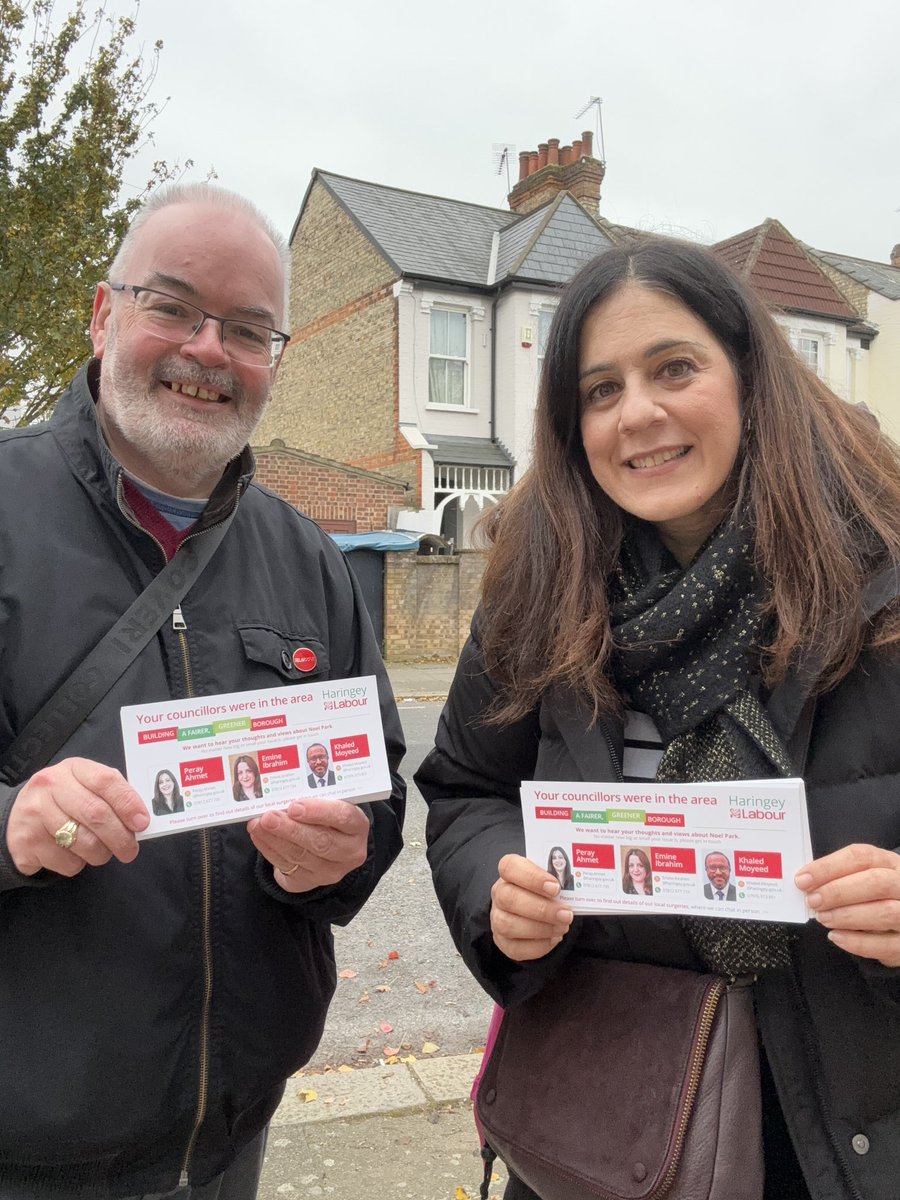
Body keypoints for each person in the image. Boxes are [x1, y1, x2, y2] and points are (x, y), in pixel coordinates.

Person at [417, 237, 900, 1200]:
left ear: (751, 375)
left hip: (849, 1137)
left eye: (674, 367)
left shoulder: (880, 572)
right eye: (599, 390)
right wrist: (496, 897)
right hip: (612, 1134)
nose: (638, 413)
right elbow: (467, 790)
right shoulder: (536, 591)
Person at [0, 182, 405, 1199]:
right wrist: (11, 826)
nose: (209, 349)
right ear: (104, 315)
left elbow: (377, 799)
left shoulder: (310, 560)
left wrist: (338, 858)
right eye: (173, 306)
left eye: (249, 329)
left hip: (228, 1140)